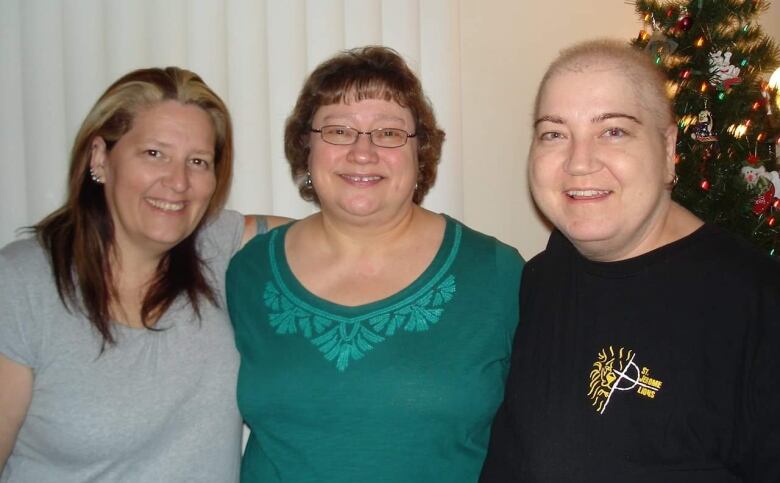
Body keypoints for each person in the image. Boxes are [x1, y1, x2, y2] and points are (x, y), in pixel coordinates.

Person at [480, 39, 780, 482]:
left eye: (614, 130)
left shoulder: (758, 306)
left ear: (668, 148)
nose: (579, 163)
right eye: (554, 133)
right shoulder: (538, 281)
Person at [226, 46, 524, 482]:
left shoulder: (496, 273)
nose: (362, 152)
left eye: (388, 133)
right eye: (338, 130)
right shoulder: (250, 271)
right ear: (305, 146)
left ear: (420, 152)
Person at [0, 67, 287, 482]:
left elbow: (339, 235)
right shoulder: (21, 284)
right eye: (154, 153)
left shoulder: (216, 247)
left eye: (198, 161)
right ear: (100, 157)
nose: (178, 182)